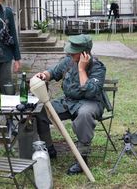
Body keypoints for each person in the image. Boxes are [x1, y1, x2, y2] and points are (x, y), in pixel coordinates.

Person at [34, 34, 106, 175]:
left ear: (85, 53)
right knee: (40, 110)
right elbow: (53, 72)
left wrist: (81, 69)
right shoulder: (68, 61)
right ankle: (49, 149)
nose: (70, 53)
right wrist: (44, 75)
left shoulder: (98, 67)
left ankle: (82, 159)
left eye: (74, 51)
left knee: (84, 114)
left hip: (90, 103)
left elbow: (90, 90)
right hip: (69, 101)